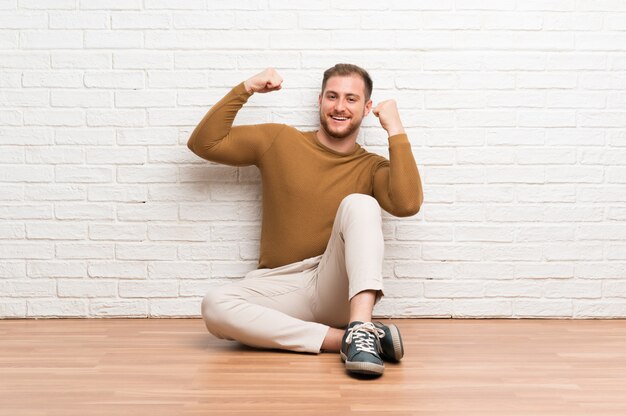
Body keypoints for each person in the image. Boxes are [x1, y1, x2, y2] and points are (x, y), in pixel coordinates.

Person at [187, 64, 423, 377]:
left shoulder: (370, 166)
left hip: (333, 285)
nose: (340, 106)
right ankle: (351, 338)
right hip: (280, 285)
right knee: (215, 305)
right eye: (332, 96)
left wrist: (396, 128)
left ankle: (361, 324)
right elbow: (204, 143)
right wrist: (247, 88)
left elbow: (407, 204)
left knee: (360, 203)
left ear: (367, 108)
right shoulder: (280, 140)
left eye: (351, 99)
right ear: (320, 101)